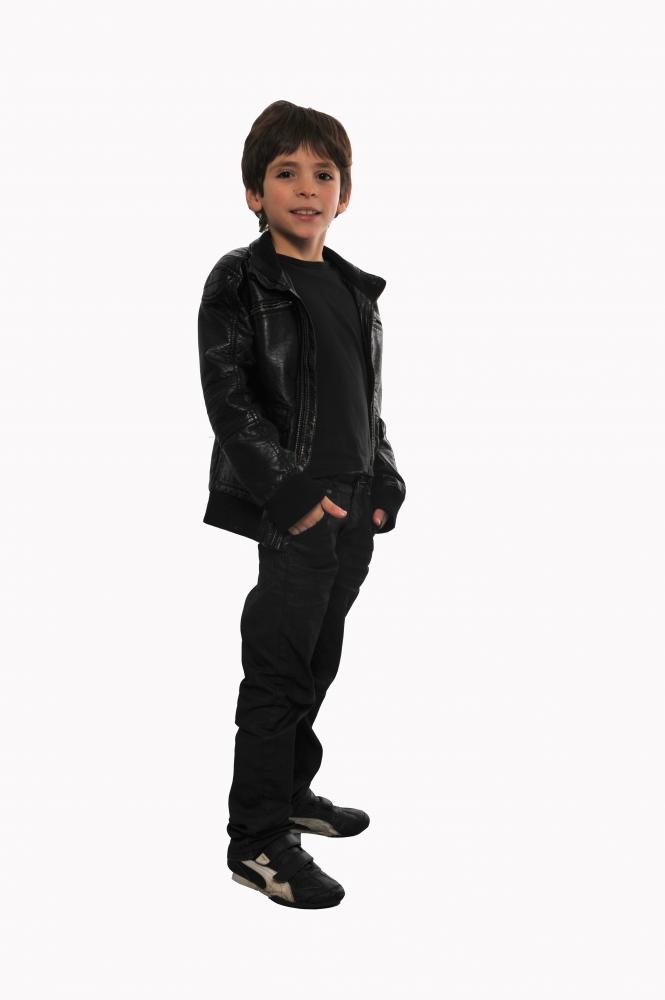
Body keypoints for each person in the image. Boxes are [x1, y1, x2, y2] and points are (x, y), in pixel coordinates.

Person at [197, 100, 406, 909]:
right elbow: (229, 398)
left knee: (317, 662)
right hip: (295, 504)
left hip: (353, 506)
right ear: (256, 193)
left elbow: (365, 403)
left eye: (324, 174)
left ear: (344, 194)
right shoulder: (241, 278)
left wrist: (383, 481)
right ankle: (256, 839)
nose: (308, 187)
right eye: (286, 173)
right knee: (278, 668)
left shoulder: (353, 288)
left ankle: (288, 792)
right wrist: (289, 493)